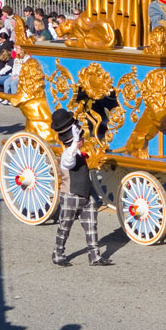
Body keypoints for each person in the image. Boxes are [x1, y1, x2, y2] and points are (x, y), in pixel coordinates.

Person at [50, 109, 114, 267]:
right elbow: (69, 161)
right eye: (80, 137)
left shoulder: (77, 152)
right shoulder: (67, 154)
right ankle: (58, 253)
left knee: (91, 225)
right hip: (71, 196)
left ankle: (94, 256)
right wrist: (74, 141)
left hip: (86, 196)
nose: (83, 138)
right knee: (65, 227)